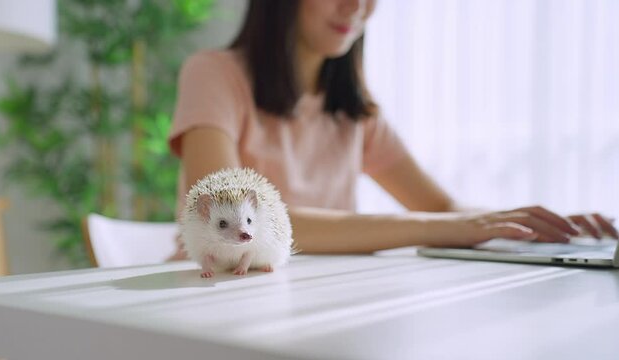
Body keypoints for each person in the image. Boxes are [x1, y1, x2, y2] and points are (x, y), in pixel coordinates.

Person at [167, 0, 617, 259]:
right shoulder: (215, 75)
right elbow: (240, 224)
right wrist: (442, 226)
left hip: (311, 299)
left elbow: (443, 207)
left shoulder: (354, 111)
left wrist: (528, 224)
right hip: (215, 299)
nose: (358, 7)